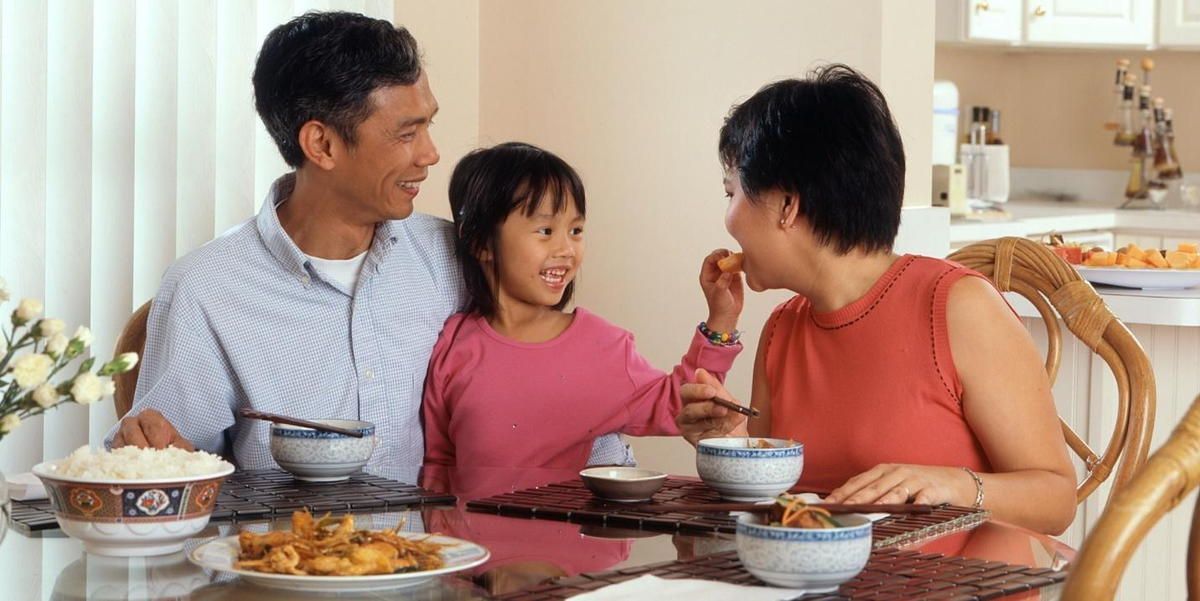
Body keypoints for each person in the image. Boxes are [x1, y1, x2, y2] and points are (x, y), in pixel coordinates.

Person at [106, 11, 631, 476]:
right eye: (406, 134)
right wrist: (153, 455)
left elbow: (559, 371)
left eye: (429, 125)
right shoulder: (208, 288)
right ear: (323, 144)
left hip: (456, 574)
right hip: (289, 576)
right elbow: (162, 465)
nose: (430, 153)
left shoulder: (458, 257)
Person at [675, 65, 1076, 535]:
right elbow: (783, 510)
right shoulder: (782, 329)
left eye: (732, 193)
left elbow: (1057, 499)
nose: (728, 219)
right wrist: (732, 441)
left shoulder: (959, 308)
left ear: (788, 205)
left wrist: (950, 485)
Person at [422, 142, 744, 469]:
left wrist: (722, 318)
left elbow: (678, 404)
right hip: (464, 522)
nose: (566, 249)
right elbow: (439, 462)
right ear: (479, 242)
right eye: (545, 231)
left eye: (575, 230)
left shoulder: (602, 346)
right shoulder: (453, 345)